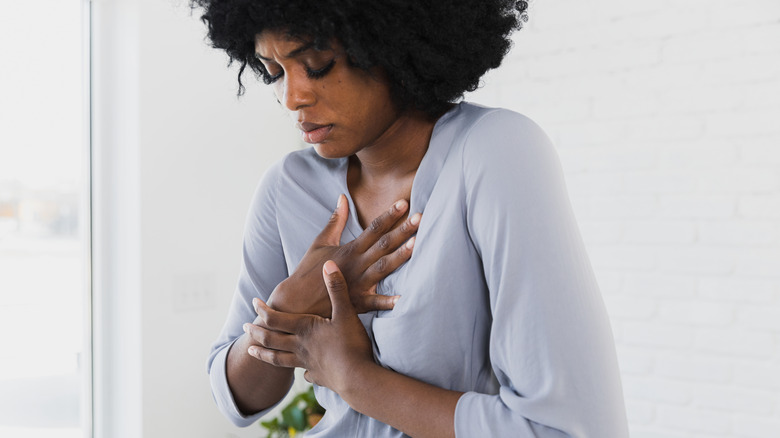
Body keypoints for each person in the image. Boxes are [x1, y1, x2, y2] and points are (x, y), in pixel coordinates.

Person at [194, 1, 629, 436]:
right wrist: (287, 306)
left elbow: (568, 428)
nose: (292, 98)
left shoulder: (494, 152)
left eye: (318, 65)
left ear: (389, 46)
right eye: (273, 72)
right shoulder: (287, 187)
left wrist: (354, 378)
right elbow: (234, 396)